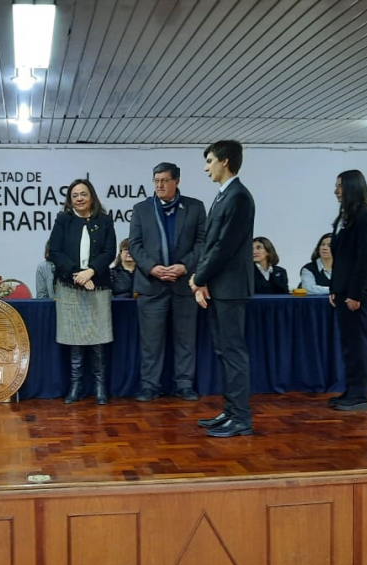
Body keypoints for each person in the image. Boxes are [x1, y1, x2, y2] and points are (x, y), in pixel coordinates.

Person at [191, 140, 255, 438]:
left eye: (210, 161)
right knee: (224, 352)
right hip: (220, 287)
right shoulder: (223, 196)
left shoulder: (239, 197)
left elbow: (223, 246)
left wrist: (198, 277)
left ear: (225, 161)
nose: (206, 168)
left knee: (234, 353)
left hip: (230, 287)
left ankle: (241, 417)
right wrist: (202, 277)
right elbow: (210, 243)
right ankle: (230, 411)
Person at [129, 161, 207, 402]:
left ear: (177, 181)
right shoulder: (142, 209)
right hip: (152, 285)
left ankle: (184, 385)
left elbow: (202, 243)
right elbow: (135, 245)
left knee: (185, 339)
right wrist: (153, 268)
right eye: (156, 180)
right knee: (151, 341)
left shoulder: (195, 207)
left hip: (184, 285)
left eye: (164, 180)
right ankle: (150, 386)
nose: (159, 185)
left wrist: (184, 266)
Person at [48, 178, 116, 405]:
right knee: (74, 338)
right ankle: (75, 386)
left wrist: (92, 272)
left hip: (98, 285)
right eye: (75, 195)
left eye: (83, 194)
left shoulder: (104, 220)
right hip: (70, 286)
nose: (79, 198)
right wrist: (78, 274)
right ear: (70, 199)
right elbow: (55, 252)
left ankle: (100, 386)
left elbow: (109, 252)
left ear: (92, 197)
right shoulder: (63, 220)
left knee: (98, 339)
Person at [328, 170, 367, 411]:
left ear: (352, 187)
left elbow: (365, 258)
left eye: (340, 186)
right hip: (343, 288)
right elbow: (342, 258)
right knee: (349, 343)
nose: (337, 190)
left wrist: (355, 293)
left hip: (356, 290)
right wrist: (334, 288)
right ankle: (351, 389)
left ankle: (360, 394)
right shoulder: (345, 217)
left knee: (356, 342)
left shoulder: (365, 216)